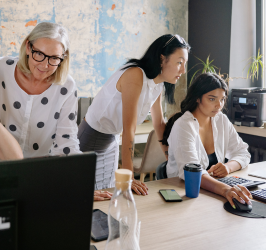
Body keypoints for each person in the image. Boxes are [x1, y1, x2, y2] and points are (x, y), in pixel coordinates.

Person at [78, 34, 191, 195]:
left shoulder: (157, 85)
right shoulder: (135, 74)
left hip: (111, 140)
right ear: (162, 58)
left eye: (184, 64)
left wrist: (171, 163)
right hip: (90, 139)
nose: (183, 70)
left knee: (108, 195)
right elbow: (129, 129)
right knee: (85, 197)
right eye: (179, 62)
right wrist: (129, 176)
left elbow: (159, 124)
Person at [0, 22, 80, 158]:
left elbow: (67, 141)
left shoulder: (67, 87)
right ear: (28, 47)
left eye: (54, 58)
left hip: (38, 167)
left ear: (63, 57)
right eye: (39, 53)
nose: (44, 65)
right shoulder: (2, 69)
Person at [161, 73, 252, 208]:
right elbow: (192, 172)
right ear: (198, 98)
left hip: (212, 192)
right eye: (212, 99)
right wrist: (226, 190)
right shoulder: (184, 125)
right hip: (184, 195)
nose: (219, 105)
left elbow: (243, 153)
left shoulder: (221, 120)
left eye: (222, 99)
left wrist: (228, 167)